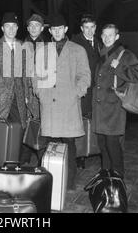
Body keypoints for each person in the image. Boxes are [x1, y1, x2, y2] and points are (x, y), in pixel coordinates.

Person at [33, 14, 91, 190]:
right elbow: (35, 76)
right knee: (45, 146)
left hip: (69, 104)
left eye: (60, 28)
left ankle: (69, 182)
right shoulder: (42, 50)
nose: (57, 32)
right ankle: (47, 182)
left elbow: (85, 75)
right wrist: (39, 93)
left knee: (69, 146)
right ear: (50, 31)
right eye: (54, 29)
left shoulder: (78, 50)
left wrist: (77, 92)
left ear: (65, 30)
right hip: (48, 104)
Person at [92, 24, 138, 177]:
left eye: (110, 35)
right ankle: (106, 176)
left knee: (112, 144)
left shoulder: (124, 54)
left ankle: (118, 177)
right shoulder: (101, 54)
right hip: (100, 108)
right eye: (104, 35)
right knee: (103, 144)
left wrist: (119, 67)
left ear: (117, 37)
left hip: (114, 108)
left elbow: (137, 76)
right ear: (101, 36)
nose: (107, 38)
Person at [0, 12, 30, 164]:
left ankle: (13, 165)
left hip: (19, 99)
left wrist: (28, 96)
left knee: (19, 132)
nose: (11, 29)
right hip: (0, 98)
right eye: (7, 26)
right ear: (2, 28)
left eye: (14, 26)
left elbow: (26, 74)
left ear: (17, 28)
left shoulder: (23, 47)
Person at [24, 14, 47, 165]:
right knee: (26, 124)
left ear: (42, 28)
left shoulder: (48, 46)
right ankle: (24, 158)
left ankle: (42, 160)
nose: (33, 28)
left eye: (37, 25)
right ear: (27, 28)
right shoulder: (21, 45)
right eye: (31, 25)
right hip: (25, 91)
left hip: (42, 91)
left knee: (41, 124)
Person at [72, 14, 101, 119]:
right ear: (81, 28)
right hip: (82, 89)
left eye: (92, 27)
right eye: (86, 27)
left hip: (96, 89)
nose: (90, 30)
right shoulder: (74, 43)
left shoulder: (100, 42)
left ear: (96, 27)